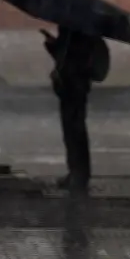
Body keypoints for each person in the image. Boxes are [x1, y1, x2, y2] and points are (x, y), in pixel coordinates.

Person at [42, 26, 97, 193]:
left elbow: (72, 57)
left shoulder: (78, 32)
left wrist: (57, 50)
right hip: (70, 85)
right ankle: (75, 172)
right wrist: (53, 44)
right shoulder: (70, 31)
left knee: (75, 131)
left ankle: (79, 175)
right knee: (71, 131)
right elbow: (64, 54)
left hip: (74, 85)